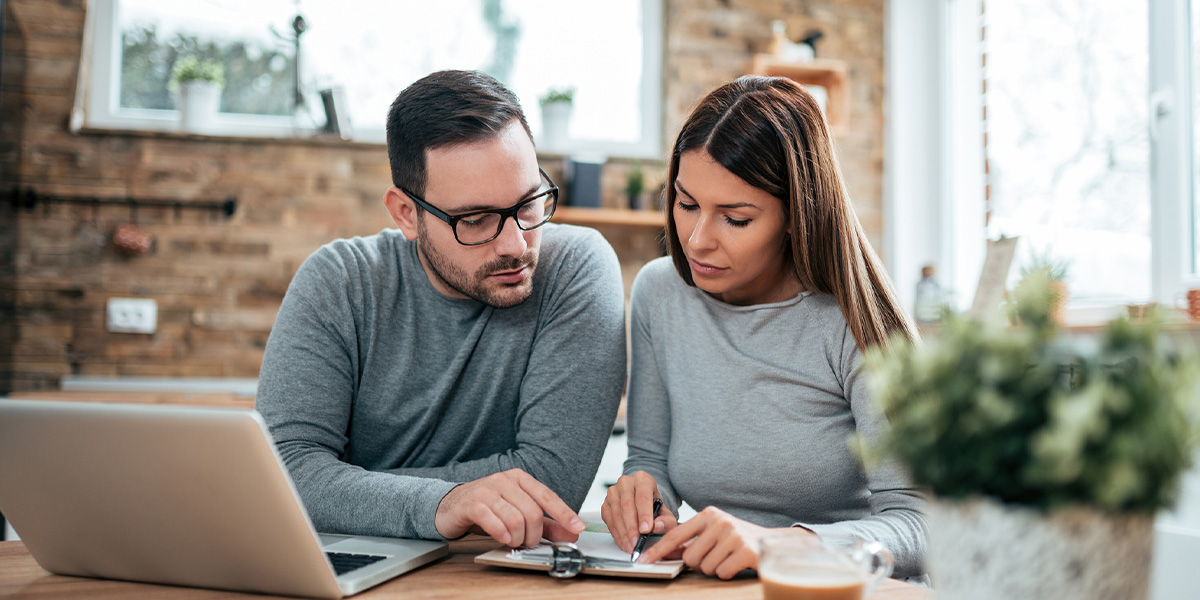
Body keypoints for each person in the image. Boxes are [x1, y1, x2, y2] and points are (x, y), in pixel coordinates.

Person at [256, 70, 627, 549]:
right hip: (348, 562)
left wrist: (348, 488)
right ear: (407, 214)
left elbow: (552, 483)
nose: (516, 245)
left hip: (496, 573)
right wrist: (442, 502)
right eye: (475, 220)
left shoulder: (576, 268)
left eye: (530, 203)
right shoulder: (341, 281)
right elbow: (285, 472)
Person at [601, 75, 927, 579]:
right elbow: (650, 460)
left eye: (735, 219)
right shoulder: (659, 295)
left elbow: (921, 524)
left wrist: (783, 545)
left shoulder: (857, 322)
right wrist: (644, 496)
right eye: (686, 204)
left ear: (798, 215)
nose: (696, 240)